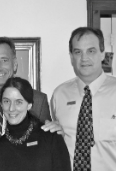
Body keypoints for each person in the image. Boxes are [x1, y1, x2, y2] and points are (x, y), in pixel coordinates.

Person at [51, 27, 116, 171]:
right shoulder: (59, 95)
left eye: (91, 51)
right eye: (78, 52)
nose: (84, 58)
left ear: (102, 54)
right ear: (71, 57)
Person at [0, 77, 71, 171]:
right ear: (1, 104)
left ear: (29, 105)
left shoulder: (50, 138)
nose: (11, 108)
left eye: (18, 102)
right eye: (7, 101)